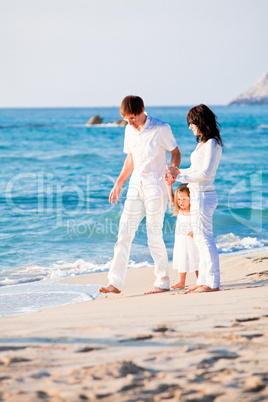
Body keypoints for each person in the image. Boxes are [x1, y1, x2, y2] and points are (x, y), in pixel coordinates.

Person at [99, 95, 181, 295]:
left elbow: (176, 152)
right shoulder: (129, 130)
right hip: (135, 187)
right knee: (123, 234)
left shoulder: (161, 128)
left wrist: (173, 169)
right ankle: (115, 283)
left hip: (156, 187)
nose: (130, 122)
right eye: (127, 119)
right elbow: (130, 159)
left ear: (142, 110)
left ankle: (162, 281)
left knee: (154, 235)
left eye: (133, 118)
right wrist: (118, 184)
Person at [165, 104, 223, 293]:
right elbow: (194, 170)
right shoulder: (203, 143)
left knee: (205, 239)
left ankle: (212, 282)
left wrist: (179, 176)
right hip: (197, 195)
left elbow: (205, 173)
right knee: (199, 240)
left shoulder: (213, 143)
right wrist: (177, 172)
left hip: (204, 195)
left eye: (191, 123)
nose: (190, 126)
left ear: (200, 122)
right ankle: (203, 280)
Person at [166, 183, 199, 289]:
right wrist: (169, 185)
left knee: (195, 257)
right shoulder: (180, 210)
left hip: (192, 240)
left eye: (184, 199)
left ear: (191, 198)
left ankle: (200, 280)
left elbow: (199, 221)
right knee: (182, 257)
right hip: (181, 241)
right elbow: (171, 197)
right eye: (179, 199)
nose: (181, 202)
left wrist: (195, 231)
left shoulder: (194, 210)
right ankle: (181, 281)